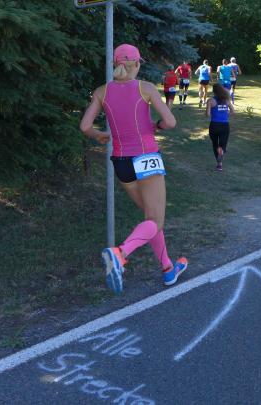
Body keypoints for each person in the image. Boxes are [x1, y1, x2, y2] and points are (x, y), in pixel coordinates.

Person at [79, 43, 188, 294]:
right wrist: (157, 126)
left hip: (121, 162)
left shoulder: (101, 91)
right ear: (137, 64)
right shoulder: (145, 88)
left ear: (115, 65)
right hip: (146, 157)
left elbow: (85, 127)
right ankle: (120, 253)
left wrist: (99, 135)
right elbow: (170, 122)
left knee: (151, 218)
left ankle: (168, 268)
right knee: (155, 220)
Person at [205, 83, 235, 171]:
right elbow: (233, 111)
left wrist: (208, 111)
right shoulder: (226, 100)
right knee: (222, 144)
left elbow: (207, 114)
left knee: (215, 144)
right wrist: (225, 115)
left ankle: (219, 163)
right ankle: (220, 160)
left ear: (213, 91)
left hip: (214, 125)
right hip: (225, 125)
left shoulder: (210, 100)